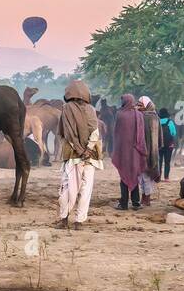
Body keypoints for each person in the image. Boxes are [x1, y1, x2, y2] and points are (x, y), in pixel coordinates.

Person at [55, 80, 102, 230]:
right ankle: (79, 222)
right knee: (86, 189)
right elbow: (95, 132)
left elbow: (68, 134)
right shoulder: (91, 109)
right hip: (91, 156)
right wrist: (88, 149)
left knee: (68, 188)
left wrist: (80, 149)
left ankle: (64, 219)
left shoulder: (67, 108)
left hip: (74, 156)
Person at [111, 94, 147, 210]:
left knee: (124, 175)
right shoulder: (139, 115)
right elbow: (141, 136)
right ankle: (136, 202)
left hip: (123, 151)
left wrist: (116, 148)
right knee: (134, 174)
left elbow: (116, 133)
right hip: (135, 151)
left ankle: (124, 203)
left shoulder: (120, 114)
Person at [137, 96, 161, 206]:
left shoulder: (144, 117)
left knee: (145, 176)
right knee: (144, 176)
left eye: (141, 105)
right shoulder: (155, 116)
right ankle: (145, 197)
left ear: (146, 105)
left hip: (145, 150)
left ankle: (146, 198)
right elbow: (160, 138)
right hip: (153, 151)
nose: (138, 107)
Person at [157, 107, 177, 180]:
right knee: (167, 161)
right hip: (169, 145)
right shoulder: (170, 122)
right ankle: (166, 177)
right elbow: (173, 133)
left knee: (159, 161)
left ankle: (158, 177)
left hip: (159, 144)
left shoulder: (157, 121)